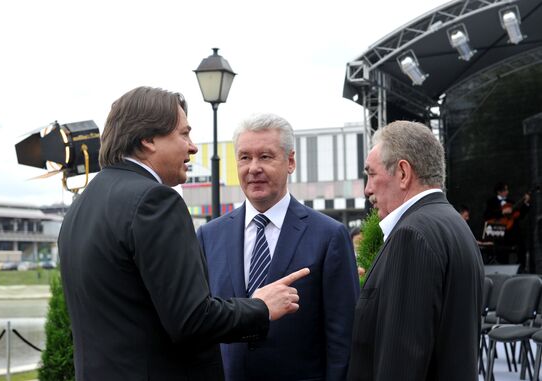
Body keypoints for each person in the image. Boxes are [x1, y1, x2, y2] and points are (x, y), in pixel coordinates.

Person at [58, 87, 310, 381]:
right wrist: (260, 307)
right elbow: (192, 320)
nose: (192, 147)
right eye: (184, 134)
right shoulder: (155, 202)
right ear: (148, 139)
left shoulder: (80, 207)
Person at [197, 113, 360, 381]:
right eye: (245, 157)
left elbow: (343, 337)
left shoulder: (329, 236)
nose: (254, 168)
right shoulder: (209, 236)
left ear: (291, 162)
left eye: (266, 156)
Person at [347, 120, 484, 381]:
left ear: (402, 173)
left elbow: (400, 362)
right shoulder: (454, 224)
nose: (367, 189)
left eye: (371, 174)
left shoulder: (412, 235)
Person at [483, 182, 530, 269]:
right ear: (499, 191)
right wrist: (502, 212)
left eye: (507, 190)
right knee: (500, 247)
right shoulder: (491, 202)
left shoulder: (511, 202)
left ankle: (520, 267)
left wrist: (526, 203)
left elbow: (520, 215)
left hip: (512, 233)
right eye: (505, 190)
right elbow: (487, 215)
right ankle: (502, 267)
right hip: (499, 230)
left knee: (521, 243)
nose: (507, 192)